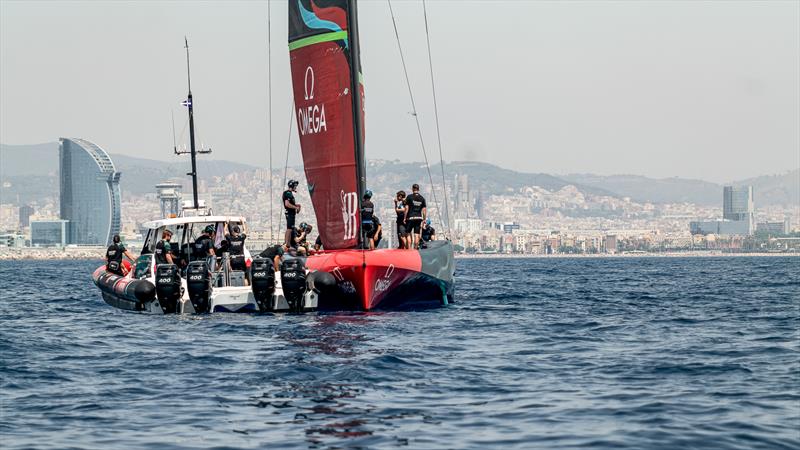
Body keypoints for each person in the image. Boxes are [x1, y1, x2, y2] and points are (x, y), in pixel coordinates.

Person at [404, 183, 427, 249]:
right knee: (416, 234)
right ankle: (415, 249)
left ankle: (409, 249)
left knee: (408, 233)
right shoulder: (422, 198)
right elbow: (424, 210)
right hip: (419, 218)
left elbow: (406, 208)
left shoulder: (409, 197)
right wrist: (424, 219)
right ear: (418, 189)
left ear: (412, 189)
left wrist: (405, 217)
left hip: (411, 218)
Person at [283, 179, 302, 247]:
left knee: (290, 228)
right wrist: (296, 207)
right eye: (295, 186)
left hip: (292, 213)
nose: (296, 187)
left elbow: (290, 204)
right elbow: (287, 204)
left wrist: (297, 206)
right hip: (289, 213)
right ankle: (287, 243)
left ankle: (287, 243)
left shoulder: (290, 194)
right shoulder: (288, 193)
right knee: (289, 228)